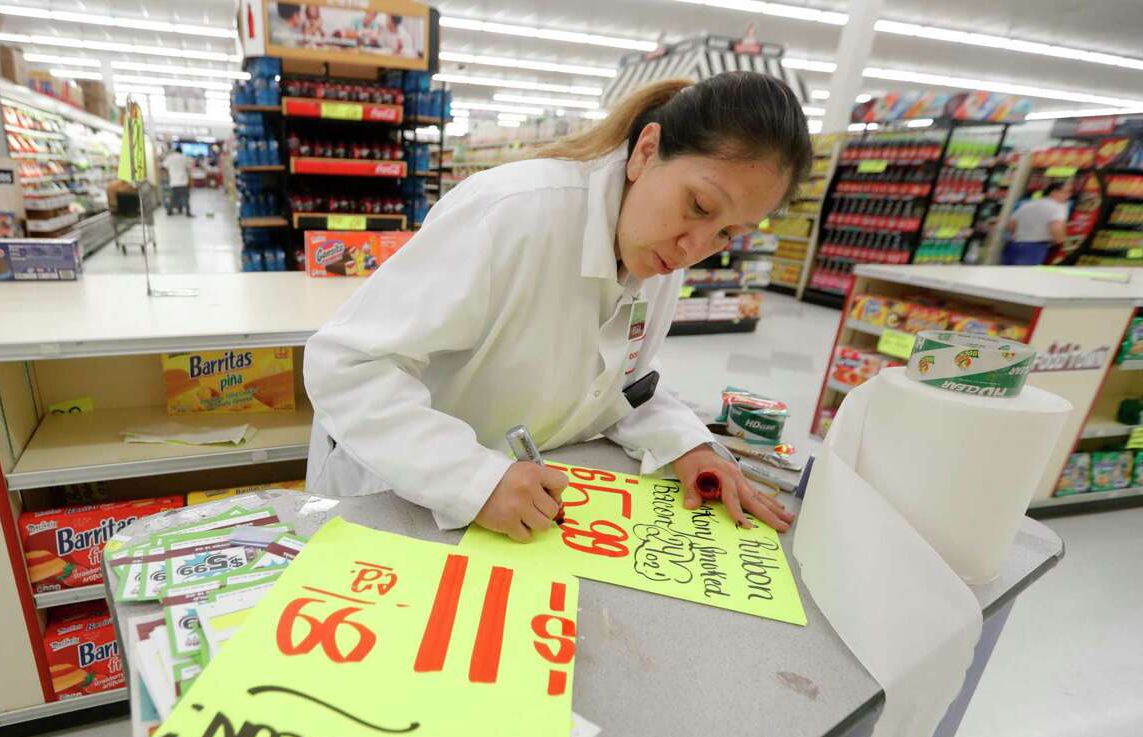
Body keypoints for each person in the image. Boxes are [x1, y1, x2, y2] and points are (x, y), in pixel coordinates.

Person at [304, 73, 810, 542]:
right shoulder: (512, 213)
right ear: (647, 152)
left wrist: (688, 443)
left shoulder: (656, 253)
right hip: (393, 497)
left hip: (516, 508)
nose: (692, 249)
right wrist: (473, 480)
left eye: (726, 233)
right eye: (699, 206)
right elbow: (348, 365)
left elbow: (623, 382)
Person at [1003, 181, 1074, 265]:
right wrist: (1062, 241)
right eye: (1066, 192)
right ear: (1053, 192)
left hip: (1014, 245)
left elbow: (1010, 225)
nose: (1069, 195)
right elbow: (1056, 227)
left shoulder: (1027, 204)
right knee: (1026, 276)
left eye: (1070, 192)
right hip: (1035, 248)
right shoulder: (1059, 207)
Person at [161, 146, 192, 217]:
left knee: (173, 197)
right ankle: (188, 212)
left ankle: (169, 211)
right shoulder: (184, 157)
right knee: (185, 197)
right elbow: (188, 168)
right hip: (183, 181)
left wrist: (168, 172)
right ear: (181, 151)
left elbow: (163, 166)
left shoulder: (170, 157)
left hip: (174, 181)